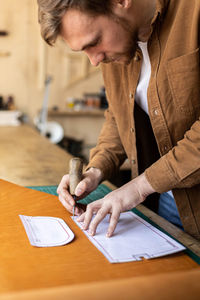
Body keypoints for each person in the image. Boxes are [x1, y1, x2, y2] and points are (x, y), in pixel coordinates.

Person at [37, 0, 200, 240]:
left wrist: (138, 187)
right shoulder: (114, 50)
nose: (93, 60)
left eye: (93, 42)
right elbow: (118, 116)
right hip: (171, 200)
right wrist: (95, 171)